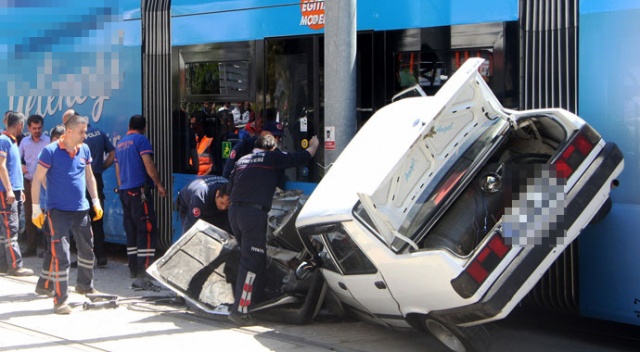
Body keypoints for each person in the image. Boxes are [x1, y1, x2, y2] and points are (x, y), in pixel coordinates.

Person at [227, 133, 319, 325]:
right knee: (251, 262)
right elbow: (299, 158)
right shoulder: (271, 157)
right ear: (271, 147)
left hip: (235, 212)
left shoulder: (242, 160)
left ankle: (254, 301)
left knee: (255, 259)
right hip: (253, 215)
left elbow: (230, 186)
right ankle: (240, 311)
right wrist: (314, 146)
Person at [31, 115, 103, 314]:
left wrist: (95, 201)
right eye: (82, 131)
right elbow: (37, 180)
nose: (85, 135)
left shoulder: (84, 149)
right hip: (58, 213)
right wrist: (36, 208)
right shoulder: (50, 151)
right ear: (69, 131)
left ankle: (85, 286)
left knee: (87, 250)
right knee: (61, 255)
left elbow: (89, 176)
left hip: (81, 210)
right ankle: (60, 300)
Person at [115, 114, 166, 290]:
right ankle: (144, 271)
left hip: (125, 192)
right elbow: (148, 163)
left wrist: (122, 190)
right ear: (144, 127)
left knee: (131, 230)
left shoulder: (120, 143)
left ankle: (133, 268)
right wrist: (159, 184)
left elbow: (118, 170)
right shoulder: (141, 140)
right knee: (147, 229)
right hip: (139, 191)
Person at [0, 112, 33, 277]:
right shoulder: (4, 141)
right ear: (20, 125)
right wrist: (10, 189)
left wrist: (19, 189)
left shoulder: (11, 142)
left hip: (15, 190)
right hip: (7, 192)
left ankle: (3, 264)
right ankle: (15, 265)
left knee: (6, 229)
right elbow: (1, 166)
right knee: (11, 229)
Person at [34, 125, 65, 297]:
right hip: (50, 208)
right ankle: (45, 283)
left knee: (54, 247)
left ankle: (46, 283)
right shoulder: (47, 154)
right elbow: (43, 180)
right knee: (53, 247)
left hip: (53, 207)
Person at [83, 120, 115, 267]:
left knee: (81, 220)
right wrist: (101, 168)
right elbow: (113, 153)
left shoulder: (77, 137)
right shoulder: (99, 133)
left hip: (81, 180)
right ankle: (101, 257)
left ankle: (85, 258)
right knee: (97, 218)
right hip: (96, 178)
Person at [18, 114, 50, 257]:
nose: (37, 131)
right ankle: (31, 247)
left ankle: (46, 248)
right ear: (29, 128)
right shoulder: (24, 142)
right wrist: (21, 166)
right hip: (29, 183)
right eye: (34, 128)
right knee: (31, 215)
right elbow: (17, 159)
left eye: (39, 128)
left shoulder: (48, 142)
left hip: (44, 185)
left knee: (45, 216)